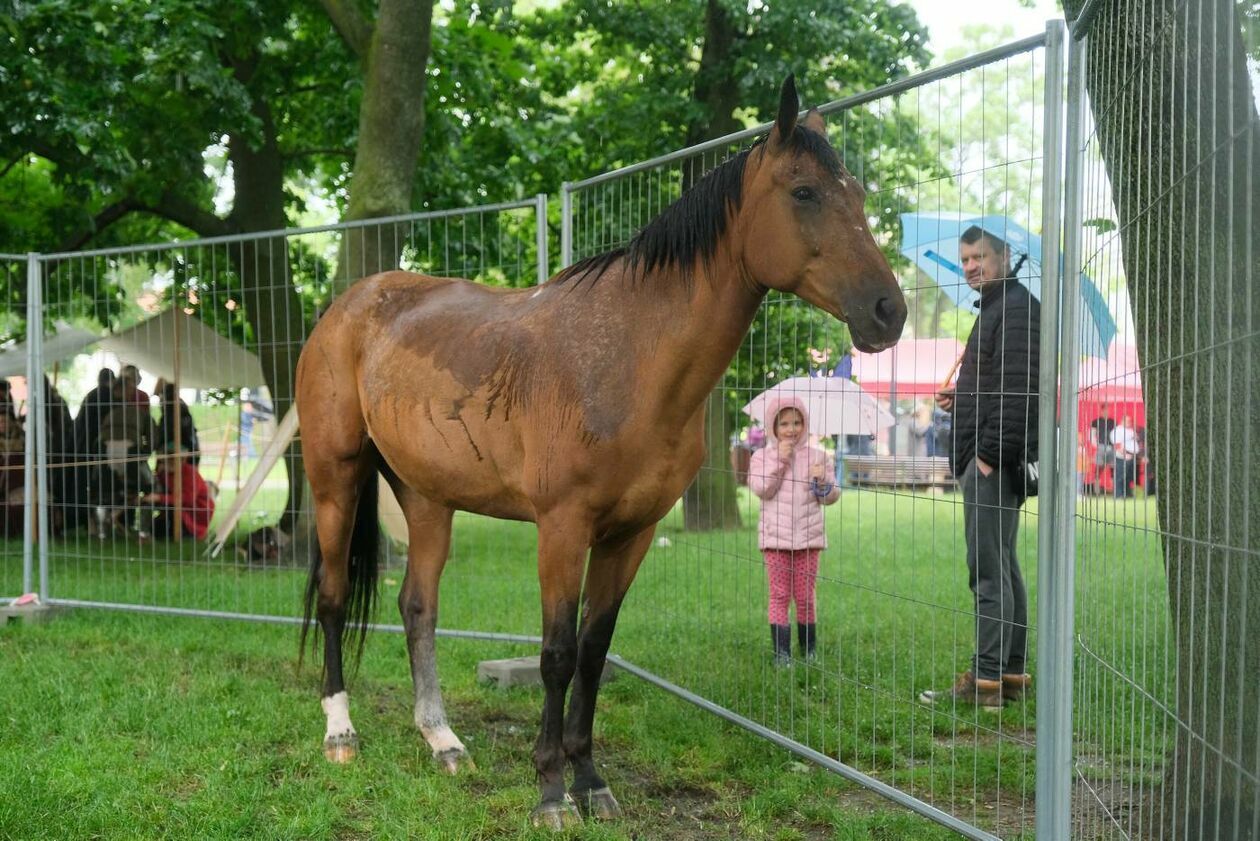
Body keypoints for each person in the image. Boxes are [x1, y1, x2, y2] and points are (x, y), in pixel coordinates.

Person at [919, 225, 1039, 711]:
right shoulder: (996, 309)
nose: (970, 266)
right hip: (989, 455)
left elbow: (1018, 395)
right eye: (965, 259)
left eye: (979, 257)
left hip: (991, 461)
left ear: (1005, 257)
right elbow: (994, 387)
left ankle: (986, 681)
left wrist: (987, 456)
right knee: (1003, 565)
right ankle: (1010, 674)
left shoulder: (1014, 311)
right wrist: (959, 399)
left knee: (987, 571)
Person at [748, 397, 840, 665]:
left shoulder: (819, 456)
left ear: (805, 424)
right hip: (775, 540)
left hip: (808, 540)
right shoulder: (762, 456)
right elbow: (761, 489)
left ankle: (808, 650)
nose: (791, 429)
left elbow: (830, 497)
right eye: (784, 423)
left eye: (797, 422)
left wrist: (822, 481)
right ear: (773, 426)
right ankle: (782, 653)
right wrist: (780, 461)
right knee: (779, 595)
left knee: (805, 597)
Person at [138, 441, 215, 541]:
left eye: (171, 458)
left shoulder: (189, 473)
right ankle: (144, 534)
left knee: (167, 532)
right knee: (156, 528)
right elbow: (163, 491)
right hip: (176, 508)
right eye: (166, 459)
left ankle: (188, 534)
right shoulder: (165, 473)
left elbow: (188, 499)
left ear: (182, 460)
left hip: (195, 515)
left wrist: (159, 497)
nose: (168, 462)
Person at [155, 380, 201, 466]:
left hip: (177, 451)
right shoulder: (182, 408)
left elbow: (166, 432)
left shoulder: (171, 410)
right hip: (189, 449)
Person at [1088, 404, 1116, 495]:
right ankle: (1096, 491)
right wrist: (1096, 445)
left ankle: (1114, 491)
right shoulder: (1096, 422)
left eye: (1109, 410)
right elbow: (1091, 434)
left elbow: (1115, 434)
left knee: (1113, 469)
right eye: (1106, 410)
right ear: (1102, 410)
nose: (1107, 412)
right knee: (1098, 469)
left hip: (1111, 447)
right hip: (1101, 446)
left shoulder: (1112, 421)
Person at [1110, 414, 1139, 498]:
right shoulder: (1117, 431)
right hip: (1122, 456)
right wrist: (1125, 454)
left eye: (1130, 421)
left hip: (1132, 455)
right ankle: (1118, 494)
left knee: (1129, 476)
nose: (1130, 422)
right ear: (1122, 421)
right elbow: (1117, 445)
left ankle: (1127, 493)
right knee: (1120, 476)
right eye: (1128, 421)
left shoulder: (1130, 430)